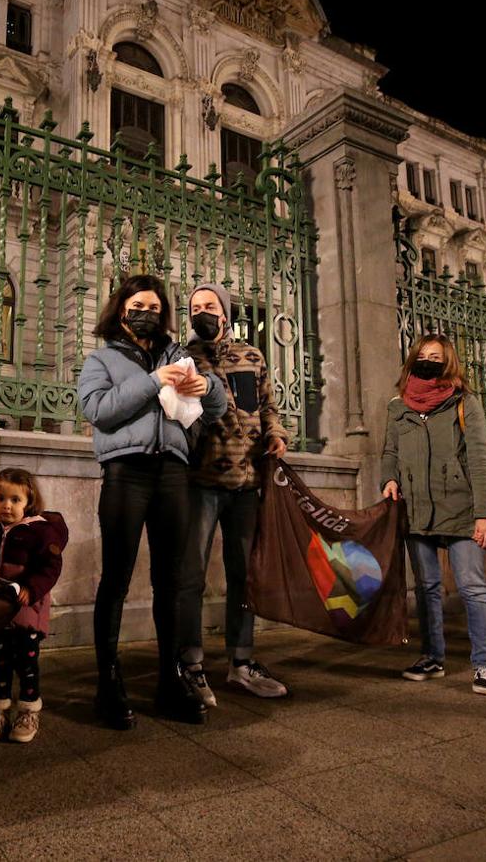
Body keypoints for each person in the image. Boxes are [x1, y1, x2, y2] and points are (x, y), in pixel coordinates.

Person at [77, 273, 227, 728]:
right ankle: (109, 683)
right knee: (117, 578)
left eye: (157, 309)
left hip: (174, 474)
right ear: (122, 309)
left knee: (172, 579)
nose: (149, 314)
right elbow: (99, 411)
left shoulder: (177, 354)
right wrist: (151, 380)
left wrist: (208, 388)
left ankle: (169, 680)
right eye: (140, 305)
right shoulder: (101, 359)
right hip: (126, 472)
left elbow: (217, 407)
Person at [176, 283, 289, 707]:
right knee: (191, 575)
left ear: (225, 313)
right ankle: (190, 663)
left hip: (248, 483)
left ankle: (242, 663)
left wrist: (276, 433)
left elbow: (268, 404)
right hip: (201, 481)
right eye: (195, 307)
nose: (202, 312)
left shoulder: (251, 355)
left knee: (243, 574)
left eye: (209, 306)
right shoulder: (183, 357)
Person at [380, 334, 486, 696]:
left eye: (436, 356)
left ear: (448, 361)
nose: (428, 360)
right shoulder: (397, 406)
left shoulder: (464, 403)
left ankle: (485, 665)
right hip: (416, 510)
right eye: (422, 354)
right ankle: (432, 657)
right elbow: (390, 450)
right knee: (427, 588)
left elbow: (481, 459)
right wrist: (387, 478)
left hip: (462, 509)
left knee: (472, 587)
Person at [0, 468, 68, 744]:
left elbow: (50, 568)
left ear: (28, 502)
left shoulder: (39, 534)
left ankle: (28, 710)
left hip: (26, 610)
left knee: (26, 662)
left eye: (15, 500)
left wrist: (31, 589)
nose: (7, 505)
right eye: (0, 498)